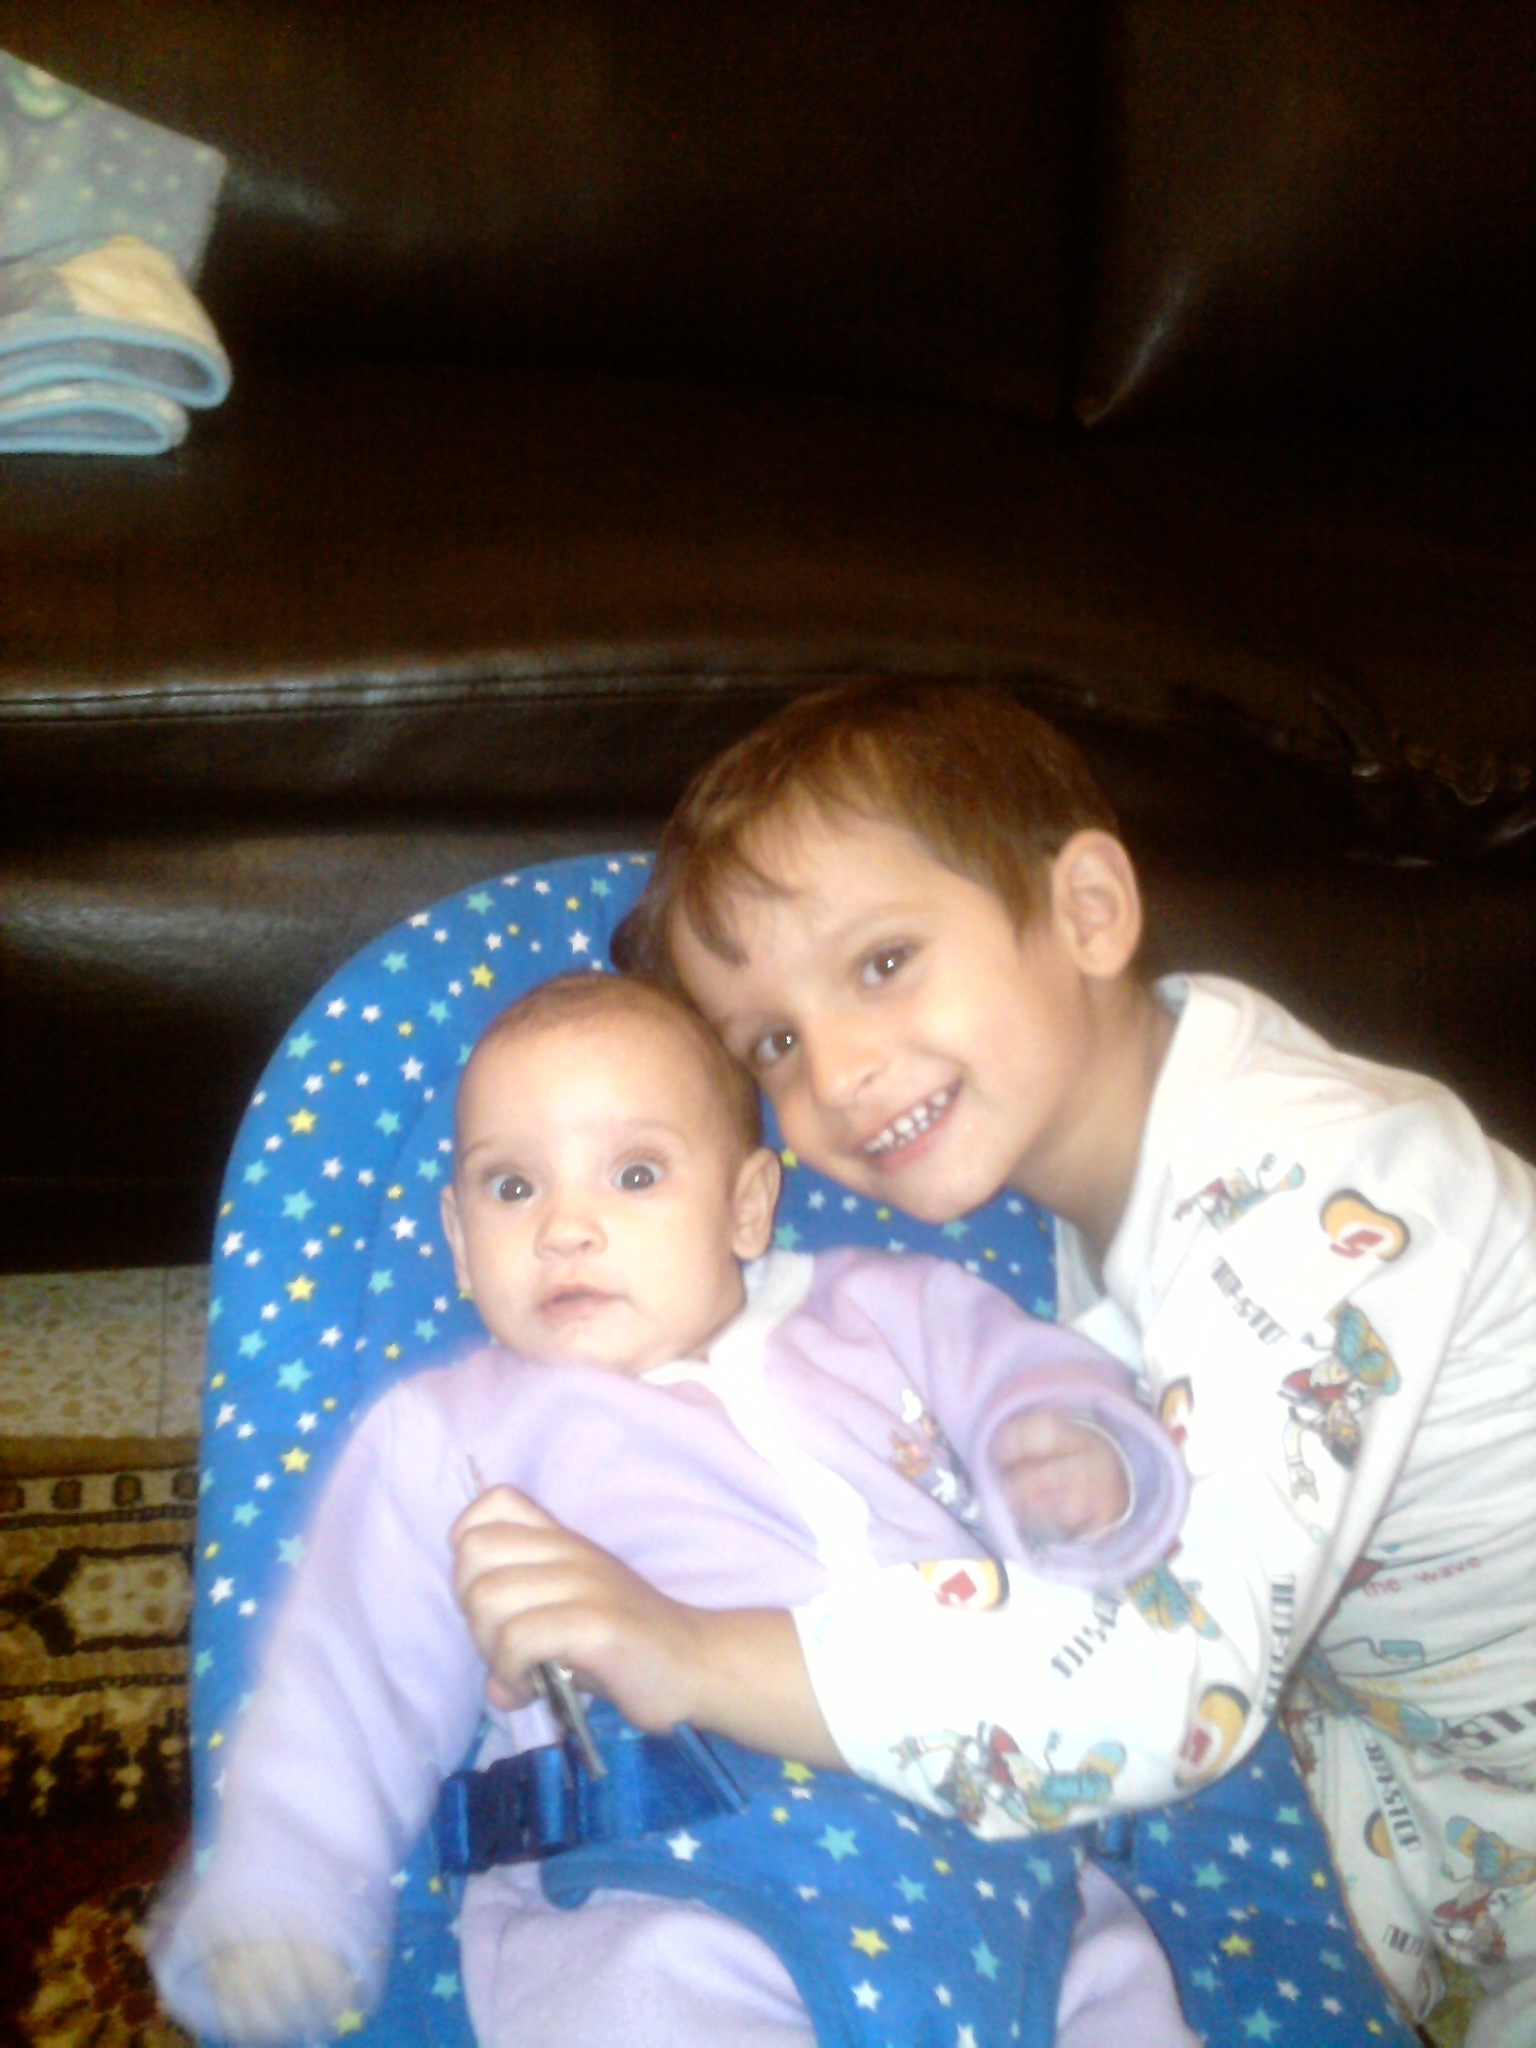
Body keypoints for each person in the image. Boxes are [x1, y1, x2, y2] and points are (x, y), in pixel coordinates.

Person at [465, 677, 1535, 2046]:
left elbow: (1178, 1681)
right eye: (775, 1041)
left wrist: (696, 1656)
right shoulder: (1091, 1192)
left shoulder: (1319, 1193)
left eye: (882, 962)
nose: (836, 1069)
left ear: (1088, 911)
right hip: (1436, 1801)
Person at [152, 969, 1196, 2048]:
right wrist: (280, 1888)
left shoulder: (888, 1307)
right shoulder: (447, 1431)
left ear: (745, 1204)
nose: (565, 1227)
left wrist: (1072, 1450)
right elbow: (345, 1669)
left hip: (1003, 1846)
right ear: (457, 1239)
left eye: (635, 1173)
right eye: (512, 1187)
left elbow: (1031, 1375)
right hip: (663, 1872)